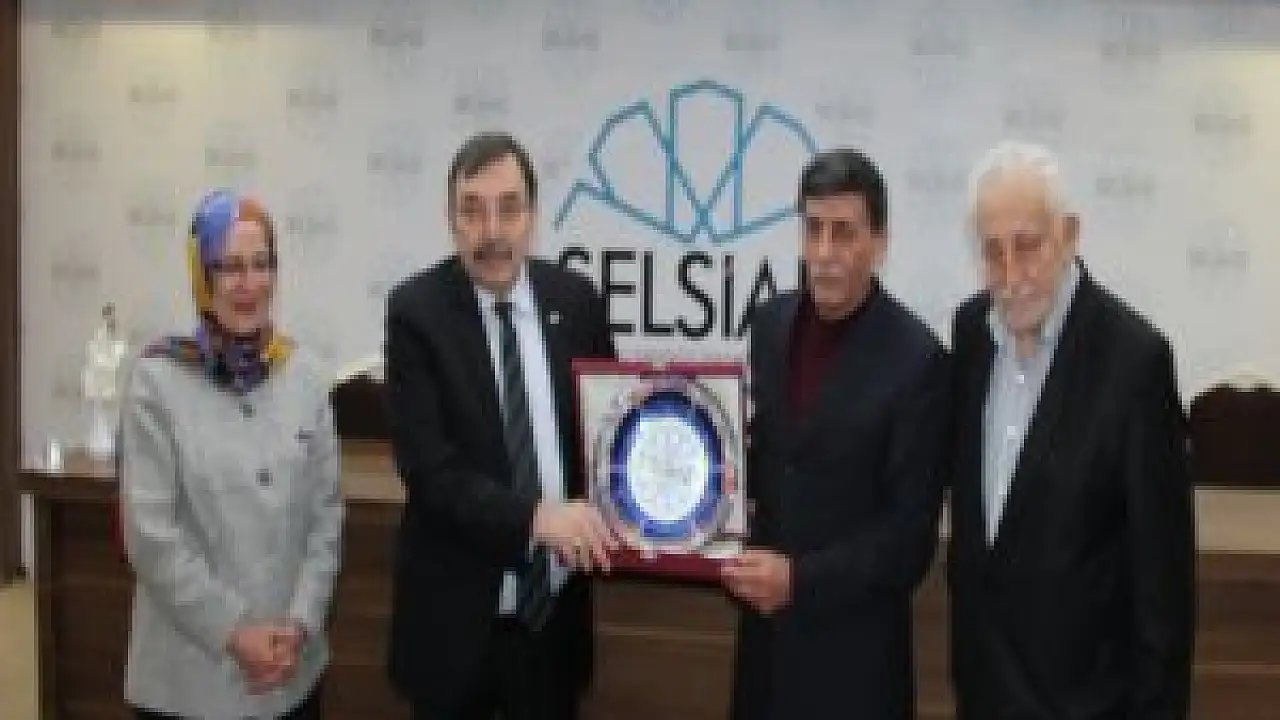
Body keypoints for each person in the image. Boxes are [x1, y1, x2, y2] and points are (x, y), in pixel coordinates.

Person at [947, 141, 1194, 719]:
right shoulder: (970, 333)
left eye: (1027, 246)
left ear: (1069, 235)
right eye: (992, 252)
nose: (1011, 275)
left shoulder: (1135, 362)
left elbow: (1163, 591)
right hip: (984, 696)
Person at [385, 131, 617, 720]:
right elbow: (430, 474)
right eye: (472, 209)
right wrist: (537, 518)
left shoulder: (578, 304)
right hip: (456, 632)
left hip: (552, 634)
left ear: (533, 216)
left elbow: (608, 441)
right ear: (450, 220)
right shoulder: (415, 315)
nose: (492, 231)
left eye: (509, 208)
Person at [724, 148, 950, 719]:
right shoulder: (769, 325)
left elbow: (908, 540)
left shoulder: (918, 360)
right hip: (764, 661)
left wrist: (799, 581)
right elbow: (763, 466)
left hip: (855, 671)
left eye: (844, 233)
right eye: (813, 229)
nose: (824, 253)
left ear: (879, 243)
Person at [118, 190, 344, 719]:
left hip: (291, 674)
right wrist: (234, 631)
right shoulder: (156, 382)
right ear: (202, 276)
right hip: (189, 684)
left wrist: (301, 624)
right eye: (231, 267)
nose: (250, 284)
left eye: (262, 264)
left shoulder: (308, 378)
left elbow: (326, 520)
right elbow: (151, 538)